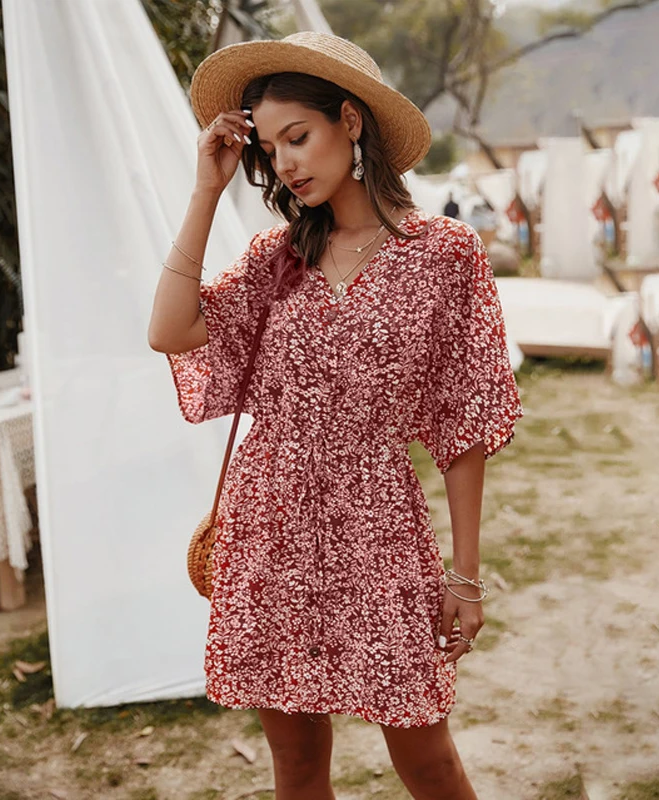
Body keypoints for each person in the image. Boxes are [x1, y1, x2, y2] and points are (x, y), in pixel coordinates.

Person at [148, 31, 523, 800]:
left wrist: (466, 575)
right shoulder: (274, 259)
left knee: (427, 760)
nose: (286, 163)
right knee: (296, 764)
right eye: (271, 149)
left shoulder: (444, 253)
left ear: (349, 121)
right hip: (270, 529)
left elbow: (465, 425)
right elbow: (169, 330)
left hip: (379, 528)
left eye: (299, 137)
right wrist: (206, 191)